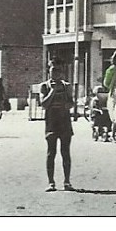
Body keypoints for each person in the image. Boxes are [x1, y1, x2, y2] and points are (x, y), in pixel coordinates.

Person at [40, 59, 74, 191]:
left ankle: (67, 182)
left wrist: (68, 104)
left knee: (65, 152)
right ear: (49, 71)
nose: (56, 73)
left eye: (58, 70)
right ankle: (51, 182)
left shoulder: (67, 86)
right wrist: (53, 91)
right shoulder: (44, 86)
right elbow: (43, 104)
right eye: (53, 70)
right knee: (51, 153)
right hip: (51, 123)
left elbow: (71, 103)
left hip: (65, 122)